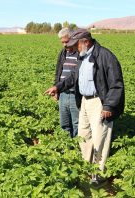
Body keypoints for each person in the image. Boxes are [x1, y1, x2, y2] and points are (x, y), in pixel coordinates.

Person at [45, 29, 125, 185]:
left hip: (99, 102)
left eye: (76, 45)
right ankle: (86, 166)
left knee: (99, 138)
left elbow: (117, 85)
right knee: (84, 135)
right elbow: (73, 77)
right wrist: (58, 87)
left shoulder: (105, 57)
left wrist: (108, 106)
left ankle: (98, 174)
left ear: (85, 42)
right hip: (85, 101)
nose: (74, 48)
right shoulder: (82, 57)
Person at [49, 28, 79, 138]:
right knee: (64, 124)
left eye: (66, 42)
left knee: (77, 124)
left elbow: (77, 75)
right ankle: (65, 147)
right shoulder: (63, 53)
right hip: (63, 93)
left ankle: (77, 149)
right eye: (62, 42)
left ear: (73, 39)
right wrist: (56, 88)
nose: (65, 45)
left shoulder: (80, 53)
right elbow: (58, 71)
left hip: (75, 94)